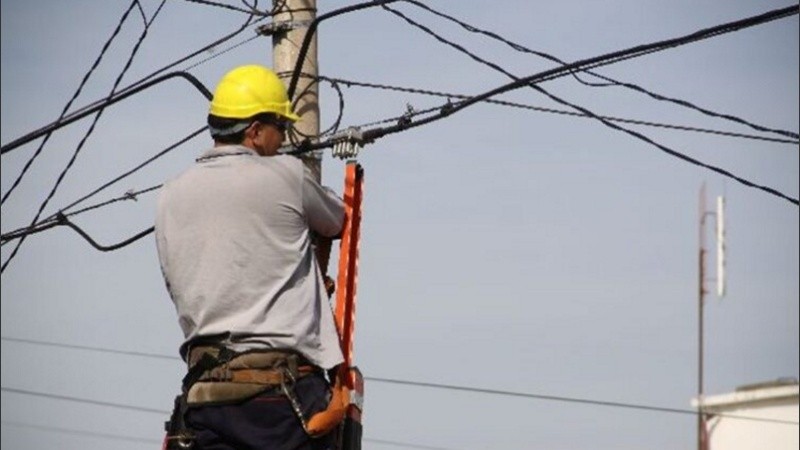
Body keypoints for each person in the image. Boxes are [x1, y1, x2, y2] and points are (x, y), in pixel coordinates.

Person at [155, 64, 345, 450]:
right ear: (255, 130)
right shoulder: (286, 175)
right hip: (280, 400)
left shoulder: (169, 195)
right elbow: (337, 220)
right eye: (281, 127)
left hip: (204, 400)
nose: (285, 140)